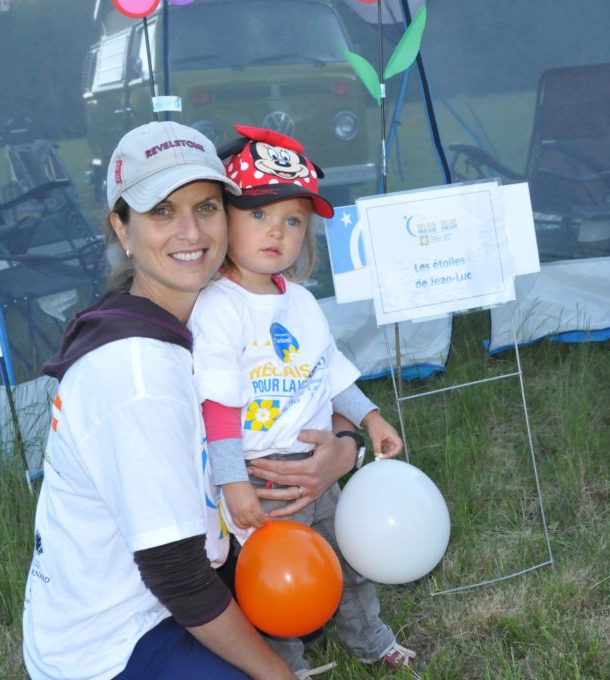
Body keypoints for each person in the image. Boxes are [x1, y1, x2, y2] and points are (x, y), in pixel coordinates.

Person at [21, 121, 359, 680]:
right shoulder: (138, 375)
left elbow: (307, 374)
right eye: (161, 212)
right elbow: (175, 576)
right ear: (122, 230)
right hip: (117, 642)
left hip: (189, 573)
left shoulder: (212, 311)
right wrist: (277, 675)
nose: (190, 232)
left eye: (205, 207)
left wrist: (344, 448)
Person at [189, 125, 416, 678]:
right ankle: (283, 666)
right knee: (276, 582)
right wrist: (232, 482)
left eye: (292, 220)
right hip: (260, 476)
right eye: (259, 215)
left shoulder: (302, 302)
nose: (277, 233)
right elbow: (215, 407)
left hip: (319, 469)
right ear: (224, 218)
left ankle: (371, 640)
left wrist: (370, 415)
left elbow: (327, 372)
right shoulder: (219, 307)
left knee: (350, 562)